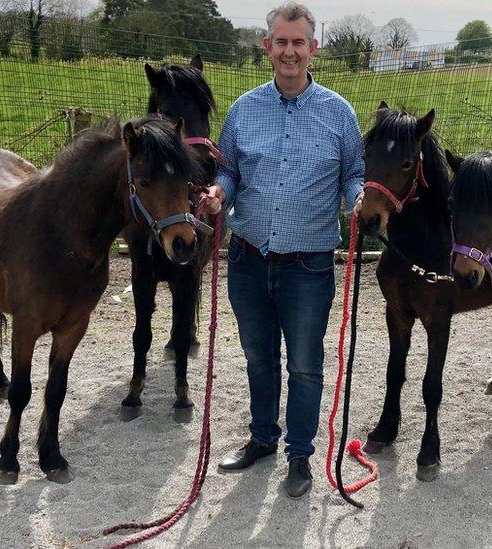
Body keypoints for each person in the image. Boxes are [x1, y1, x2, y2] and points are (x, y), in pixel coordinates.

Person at [198, 1, 364, 499]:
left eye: (299, 43)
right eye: (281, 42)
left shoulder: (339, 114)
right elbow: (228, 168)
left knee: (306, 365)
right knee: (258, 357)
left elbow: (354, 172)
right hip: (248, 257)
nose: (289, 51)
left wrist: (358, 197)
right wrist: (219, 192)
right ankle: (262, 438)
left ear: (313, 49)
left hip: (308, 265)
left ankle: (299, 454)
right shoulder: (244, 110)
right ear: (267, 47)